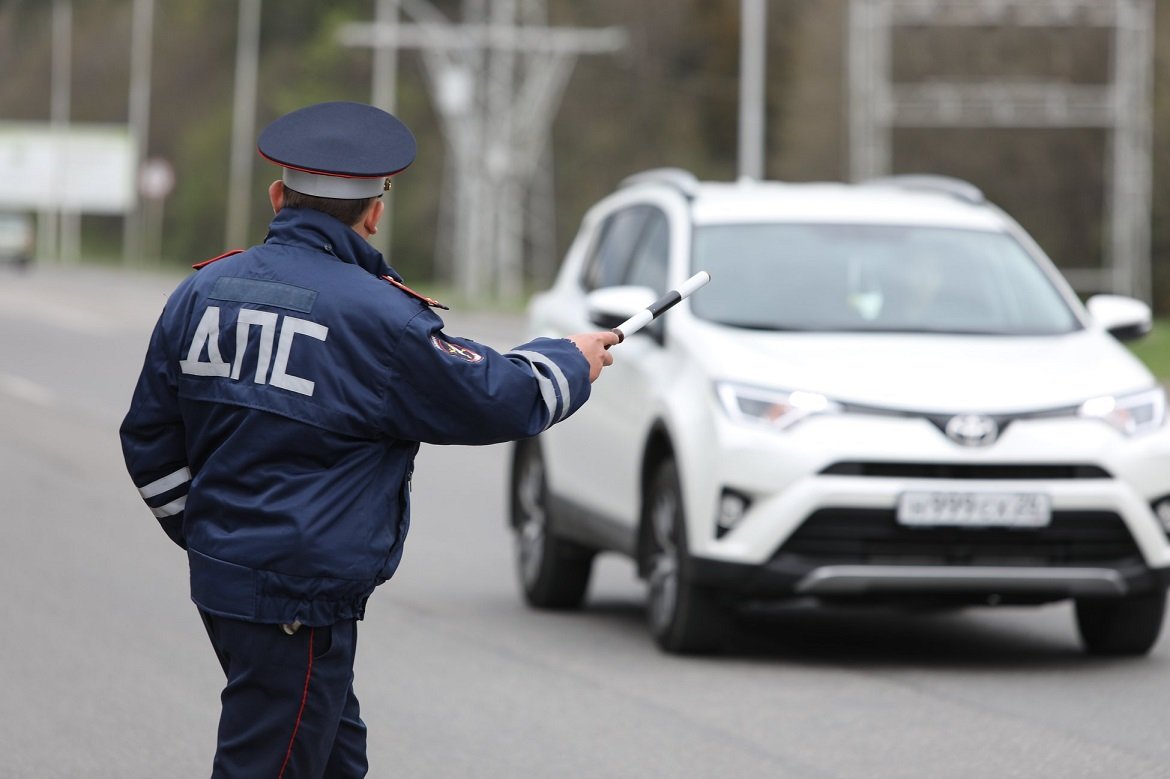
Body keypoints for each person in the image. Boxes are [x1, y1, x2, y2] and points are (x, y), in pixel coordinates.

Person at [119, 100, 619, 778]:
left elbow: (148, 436)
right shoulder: (377, 317)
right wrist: (569, 358)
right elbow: (493, 397)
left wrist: (214, 534)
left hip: (235, 585)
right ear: (375, 210)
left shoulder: (202, 291)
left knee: (331, 759)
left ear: (277, 196)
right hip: (296, 597)